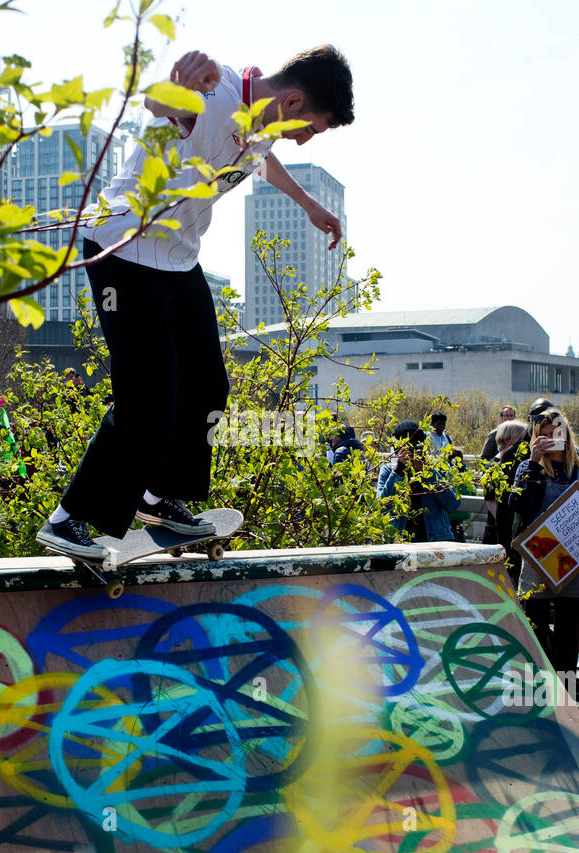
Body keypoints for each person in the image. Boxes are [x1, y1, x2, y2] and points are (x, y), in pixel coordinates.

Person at [35, 46, 354, 558]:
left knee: (208, 384)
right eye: (311, 128)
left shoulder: (262, 125)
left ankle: (156, 496)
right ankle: (70, 517)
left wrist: (309, 204)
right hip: (124, 249)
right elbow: (164, 107)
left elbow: (262, 158)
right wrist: (173, 90)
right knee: (148, 396)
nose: (305, 139)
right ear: (293, 101)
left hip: (179, 259)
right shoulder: (215, 95)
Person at [512, 408, 579, 674]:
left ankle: (566, 676)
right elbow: (519, 505)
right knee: (535, 622)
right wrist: (533, 461)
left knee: (569, 624)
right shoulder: (527, 467)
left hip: (571, 557)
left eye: (555, 434)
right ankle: (539, 677)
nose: (550, 439)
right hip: (537, 556)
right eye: (543, 436)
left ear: (566, 436)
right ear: (535, 438)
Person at [377, 421, 458, 543]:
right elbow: (382, 507)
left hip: (435, 540)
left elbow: (453, 504)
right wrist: (398, 471)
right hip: (400, 541)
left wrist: (428, 472)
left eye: (417, 446)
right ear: (396, 449)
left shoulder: (435, 469)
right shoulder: (388, 471)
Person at [487, 418, 527, 579]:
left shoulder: (520, 464)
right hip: (502, 531)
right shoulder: (495, 465)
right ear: (508, 439)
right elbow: (491, 502)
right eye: (521, 438)